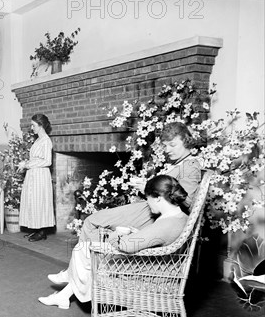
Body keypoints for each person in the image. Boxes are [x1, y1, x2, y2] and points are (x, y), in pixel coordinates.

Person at [47, 121, 203, 285]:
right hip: (147, 208)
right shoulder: (178, 162)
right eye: (165, 145)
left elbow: (188, 201)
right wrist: (148, 185)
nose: (168, 150)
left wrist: (149, 188)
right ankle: (77, 275)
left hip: (151, 214)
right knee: (93, 224)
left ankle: (77, 276)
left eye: (172, 144)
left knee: (92, 222)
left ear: (186, 141)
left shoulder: (190, 165)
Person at [39, 175, 189, 309]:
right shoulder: (178, 216)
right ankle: (64, 295)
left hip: (149, 271)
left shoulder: (166, 224)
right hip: (158, 265)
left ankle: (68, 283)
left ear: (157, 198)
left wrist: (116, 234)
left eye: (148, 198)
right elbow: (155, 237)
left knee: (84, 250)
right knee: (85, 250)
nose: (147, 204)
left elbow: (126, 246)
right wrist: (138, 234)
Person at [18, 113, 55, 242]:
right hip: (33, 174)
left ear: (41, 125)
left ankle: (42, 232)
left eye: (33, 125)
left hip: (40, 175)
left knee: (40, 201)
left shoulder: (46, 140)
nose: (31, 128)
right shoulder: (38, 140)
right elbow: (36, 158)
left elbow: (47, 161)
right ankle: (36, 229)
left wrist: (27, 164)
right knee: (33, 201)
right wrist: (26, 164)